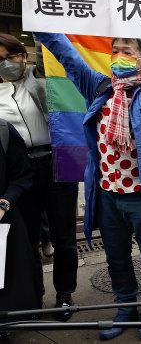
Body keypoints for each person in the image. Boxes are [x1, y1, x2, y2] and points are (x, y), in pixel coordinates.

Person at [24, 0, 141, 342]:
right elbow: (65, 53)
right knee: (117, 258)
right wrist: (33, 5)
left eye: (127, 50)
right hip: (108, 194)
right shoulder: (99, 86)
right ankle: (126, 307)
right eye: (115, 49)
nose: (119, 56)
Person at [1, 22, 79, 318]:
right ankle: (33, 297)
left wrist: (36, 13)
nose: (4, 65)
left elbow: (49, 54)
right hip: (20, 173)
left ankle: (65, 295)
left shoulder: (41, 78)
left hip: (58, 163)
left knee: (64, 237)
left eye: (8, 57)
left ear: (22, 56)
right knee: (29, 238)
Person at [0, 120, 39, 344]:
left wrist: (4, 203)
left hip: (4, 223)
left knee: (6, 281)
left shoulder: (4, 131)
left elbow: (21, 175)